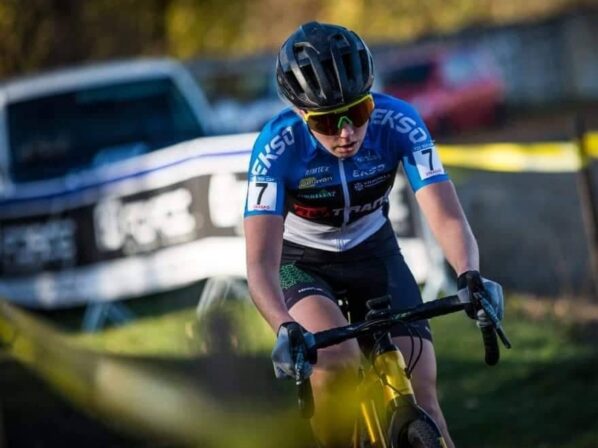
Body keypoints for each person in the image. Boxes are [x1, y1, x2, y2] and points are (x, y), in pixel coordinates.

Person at [243, 21, 503, 448]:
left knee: (424, 394)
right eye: (328, 121)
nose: (346, 132)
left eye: (359, 112)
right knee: (337, 364)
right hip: (304, 263)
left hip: (374, 251)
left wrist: (469, 273)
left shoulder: (399, 121)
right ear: (301, 114)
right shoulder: (276, 148)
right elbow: (259, 264)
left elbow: (447, 216)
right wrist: (284, 326)